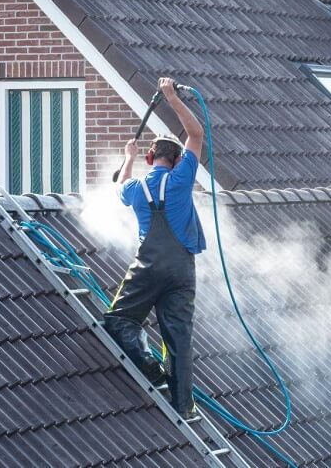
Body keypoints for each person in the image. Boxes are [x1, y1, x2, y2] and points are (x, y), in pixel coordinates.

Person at [103, 77, 206, 419]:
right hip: (182, 271)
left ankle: (148, 365)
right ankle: (183, 406)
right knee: (178, 338)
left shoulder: (135, 188)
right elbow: (196, 134)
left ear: (150, 158)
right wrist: (171, 97)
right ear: (178, 161)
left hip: (147, 267)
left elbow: (119, 186)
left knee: (120, 319)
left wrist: (128, 157)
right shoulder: (181, 179)